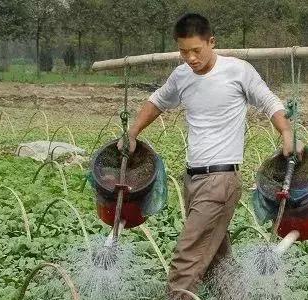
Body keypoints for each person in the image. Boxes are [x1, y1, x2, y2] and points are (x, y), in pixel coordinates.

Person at [119, 13, 304, 299]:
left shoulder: (237, 71)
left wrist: (287, 133)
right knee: (219, 262)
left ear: (211, 42)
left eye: (196, 50)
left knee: (187, 258)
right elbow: (156, 101)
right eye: (183, 51)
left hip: (221, 180)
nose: (190, 58)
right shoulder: (181, 76)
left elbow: (269, 101)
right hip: (192, 179)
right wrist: (132, 133)